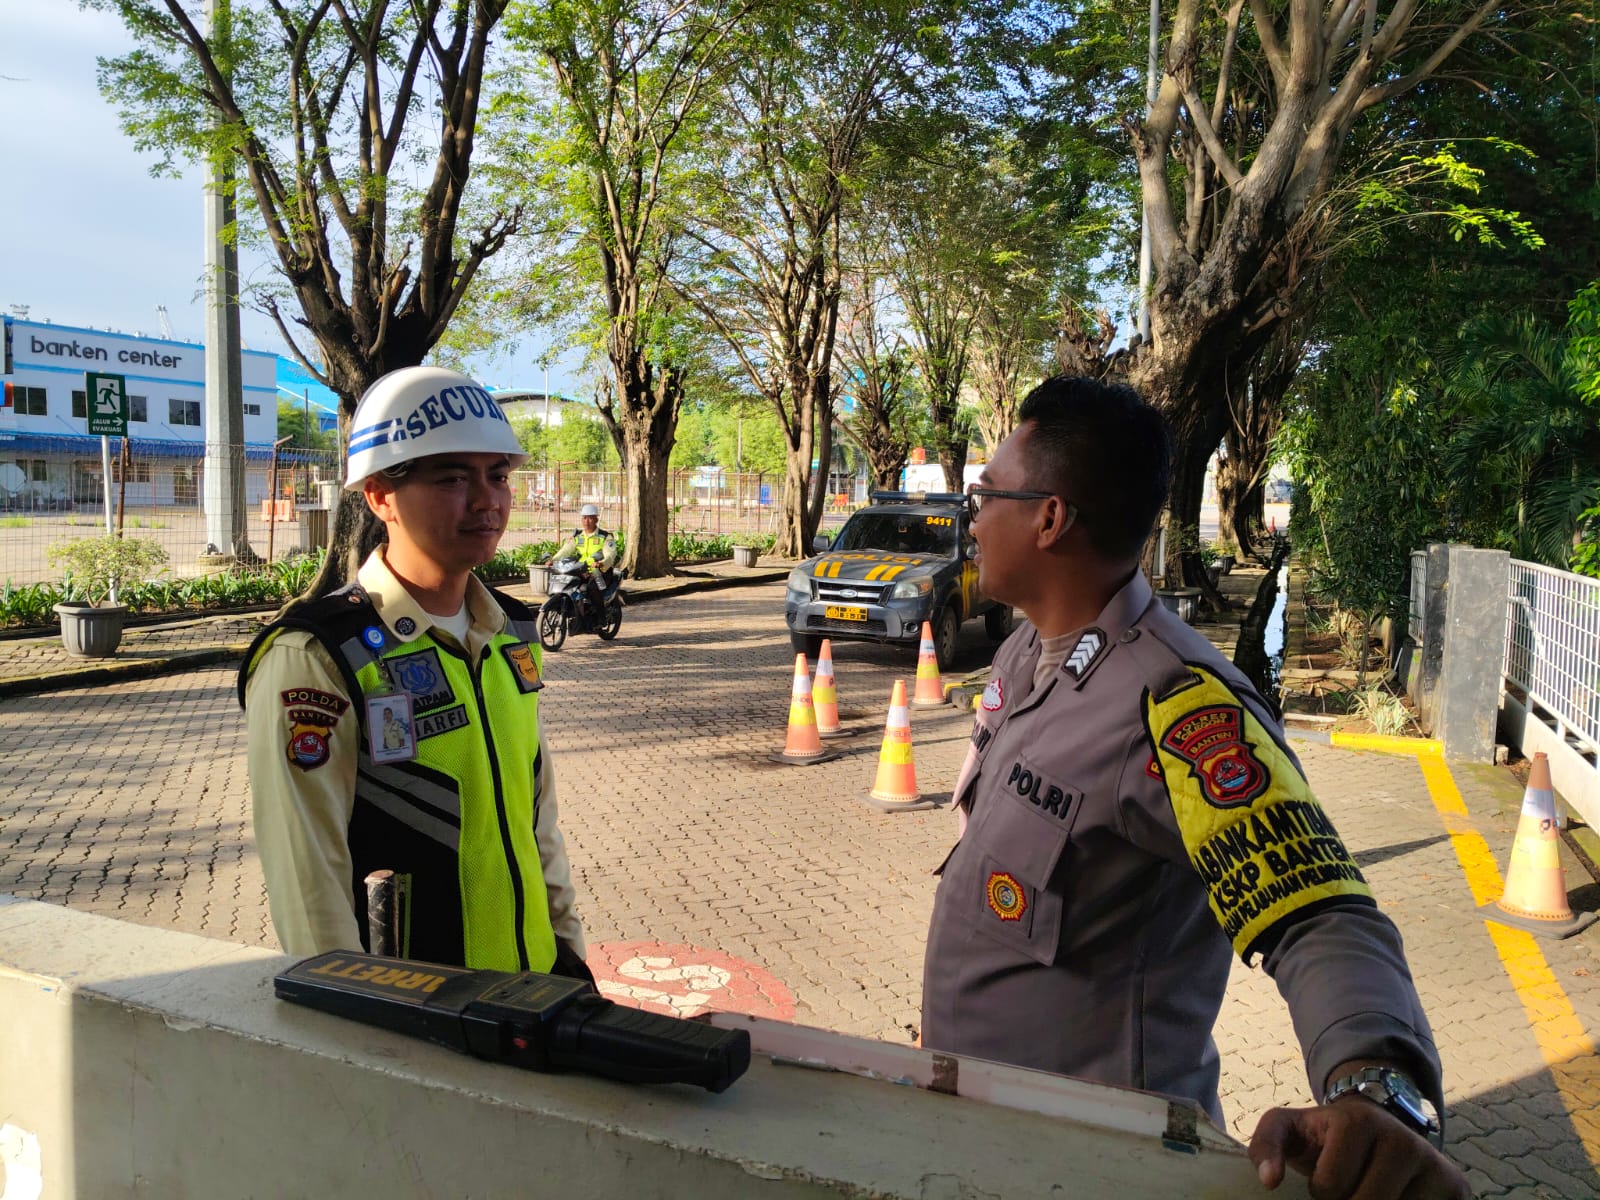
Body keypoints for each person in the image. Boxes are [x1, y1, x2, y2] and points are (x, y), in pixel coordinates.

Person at [922, 375, 1468, 1199]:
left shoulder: (1176, 707)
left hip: (1099, 1168)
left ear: (1049, 518)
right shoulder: (1023, 655)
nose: (971, 517)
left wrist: (1373, 1087)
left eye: (984, 495)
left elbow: (1319, 912)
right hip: (983, 1139)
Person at [239, 365, 589, 980]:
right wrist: (360, 1021)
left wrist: (570, 959)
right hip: (420, 1012)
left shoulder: (511, 630)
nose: (487, 500)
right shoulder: (318, 656)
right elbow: (310, 887)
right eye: (452, 477)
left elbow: (538, 823)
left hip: (537, 992)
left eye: (498, 475)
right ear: (379, 495)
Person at [551, 503, 618, 617]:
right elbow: (565, 550)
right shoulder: (578, 537)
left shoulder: (605, 537)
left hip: (600, 571)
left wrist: (601, 563)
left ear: (596, 519)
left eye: (590, 518)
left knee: (593, 588)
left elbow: (610, 555)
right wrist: (553, 560)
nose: (587, 521)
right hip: (582, 570)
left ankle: (600, 617)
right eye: (584, 518)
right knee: (567, 583)